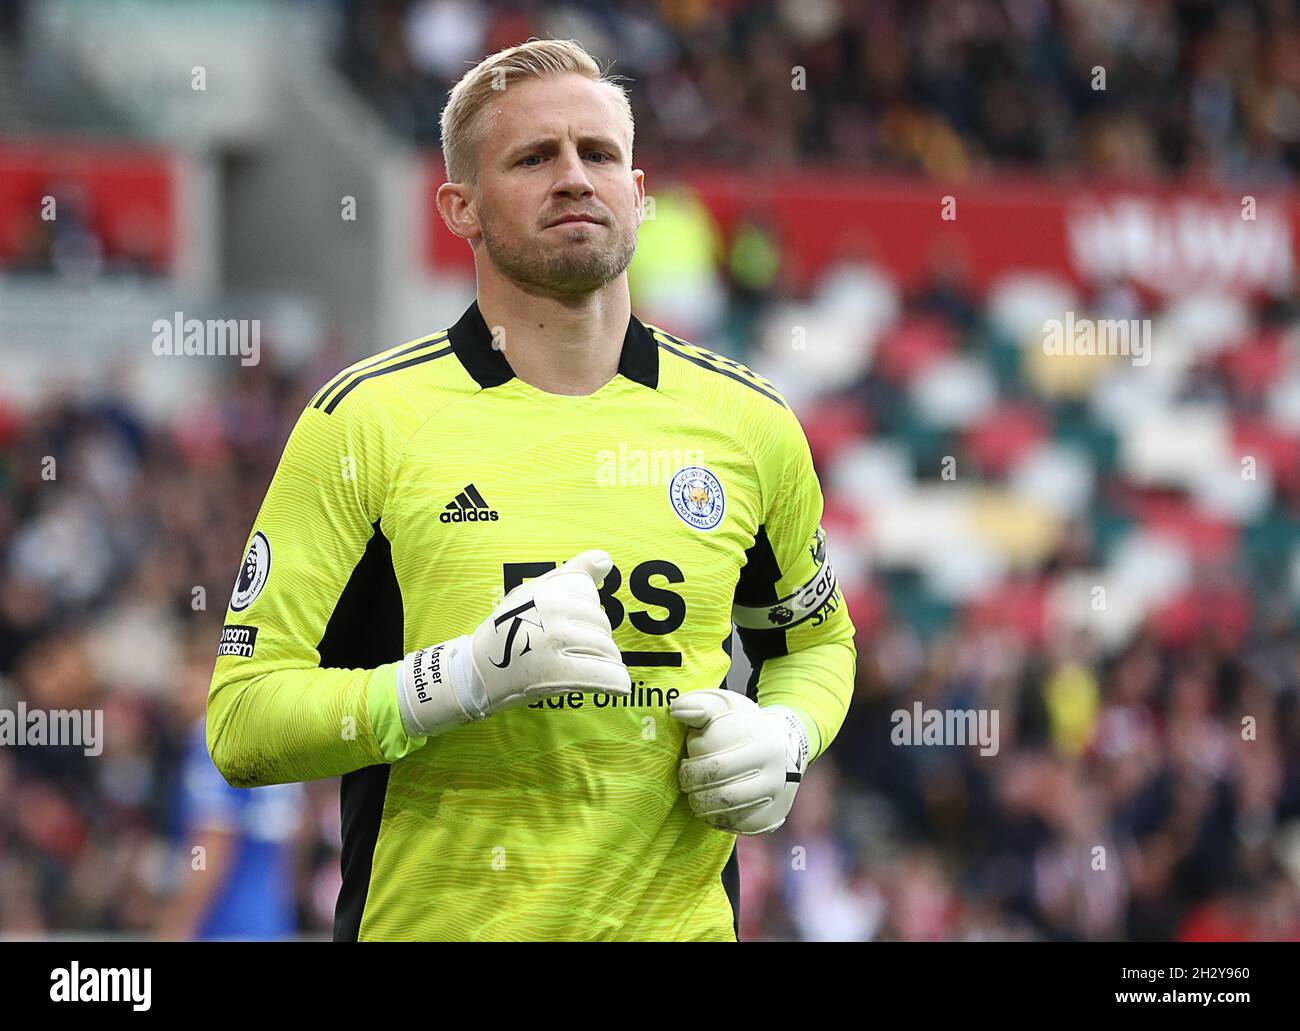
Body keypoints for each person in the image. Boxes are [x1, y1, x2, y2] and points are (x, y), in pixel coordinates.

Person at [206, 37, 856, 941]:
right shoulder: (363, 422)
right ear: (459, 207)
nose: (575, 178)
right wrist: (457, 679)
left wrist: (786, 738)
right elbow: (242, 722)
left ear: (639, 188)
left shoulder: (748, 423)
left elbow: (816, 642)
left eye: (599, 154)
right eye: (533, 157)